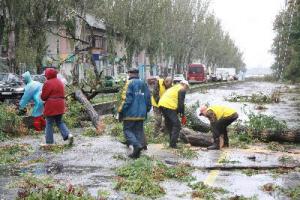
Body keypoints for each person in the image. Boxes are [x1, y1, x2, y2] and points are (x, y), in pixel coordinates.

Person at [118, 68, 151, 159]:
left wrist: (120, 111)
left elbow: (126, 100)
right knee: (138, 131)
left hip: (130, 113)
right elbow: (148, 98)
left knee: (127, 130)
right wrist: (146, 109)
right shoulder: (143, 83)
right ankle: (137, 154)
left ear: (130, 74)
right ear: (137, 74)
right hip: (141, 113)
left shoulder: (129, 83)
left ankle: (136, 146)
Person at [41, 68, 73, 146]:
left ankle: (49, 142)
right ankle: (68, 135)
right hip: (61, 104)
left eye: (45, 74)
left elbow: (43, 97)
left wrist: (41, 95)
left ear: (47, 75)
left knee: (49, 123)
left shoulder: (47, 83)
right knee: (59, 121)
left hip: (51, 105)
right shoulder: (59, 82)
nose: (45, 76)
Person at [158, 80, 189, 148]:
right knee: (177, 125)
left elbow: (175, 100)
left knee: (169, 123)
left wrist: (179, 112)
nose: (186, 90)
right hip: (169, 105)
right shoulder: (182, 89)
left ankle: (172, 140)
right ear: (184, 85)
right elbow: (181, 103)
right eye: (187, 88)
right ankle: (173, 144)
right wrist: (183, 115)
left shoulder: (174, 88)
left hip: (161, 104)